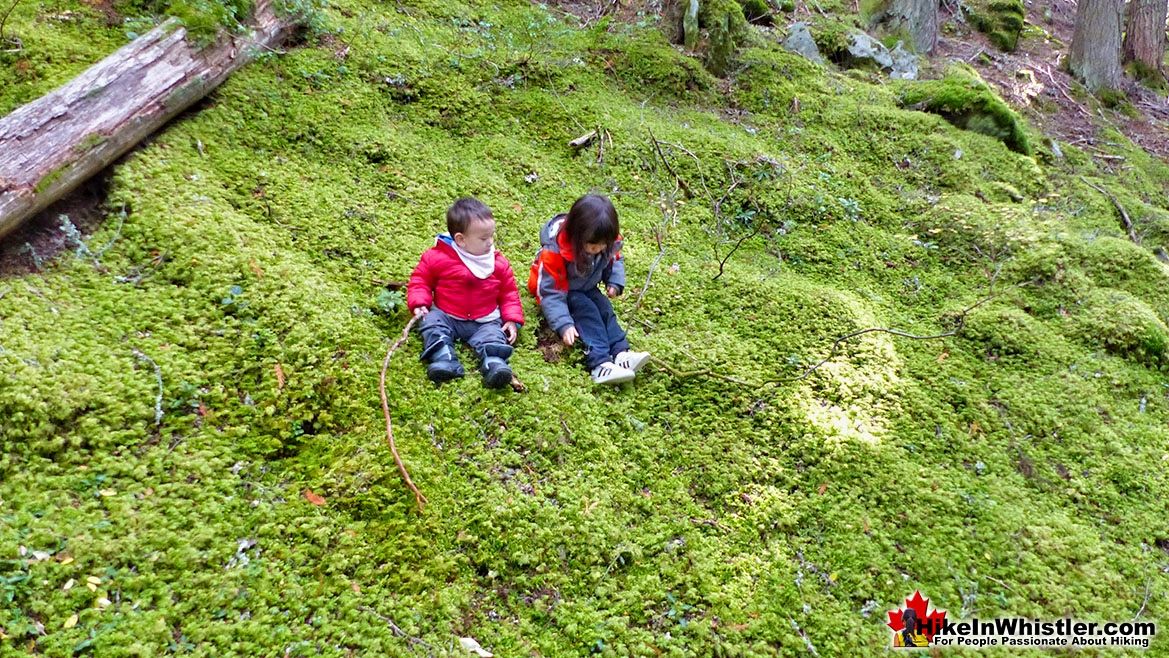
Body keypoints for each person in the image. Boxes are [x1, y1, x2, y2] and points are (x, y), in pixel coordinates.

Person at [528, 194, 649, 385]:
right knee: (588, 313)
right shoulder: (555, 251)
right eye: (594, 245)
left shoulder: (604, 241)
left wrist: (614, 282)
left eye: (603, 245)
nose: (599, 249)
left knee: (605, 309)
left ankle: (621, 353)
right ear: (577, 236)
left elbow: (614, 258)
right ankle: (600, 363)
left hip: (586, 286)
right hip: (562, 290)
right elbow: (549, 292)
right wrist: (564, 324)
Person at [407, 198, 523, 389]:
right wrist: (420, 303)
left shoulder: (497, 263)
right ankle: (444, 358)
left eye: (492, 236)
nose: (490, 242)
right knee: (431, 322)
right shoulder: (438, 257)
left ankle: (494, 364)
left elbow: (509, 292)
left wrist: (512, 319)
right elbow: (420, 280)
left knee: (494, 335)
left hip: (485, 319)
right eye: (484, 238)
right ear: (460, 239)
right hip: (447, 314)